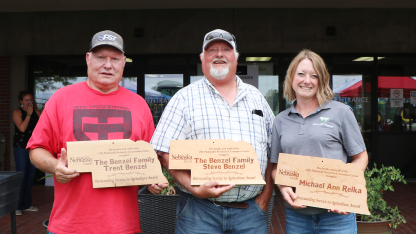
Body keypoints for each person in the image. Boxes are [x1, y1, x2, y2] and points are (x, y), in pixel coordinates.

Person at [27, 30, 156, 234]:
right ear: (88, 59)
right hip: (69, 226)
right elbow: (36, 148)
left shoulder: (139, 105)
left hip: (123, 226)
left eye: (115, 58)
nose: (108, 64)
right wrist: (55, 166)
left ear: (123, 62)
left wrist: (155, 178)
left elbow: (152, 157)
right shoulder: (60, 99)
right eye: (101, 57)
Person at [150, 29, 275, 234]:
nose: (219, 54)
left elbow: (273, 149)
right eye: (212, 50)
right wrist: (194, 188)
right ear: (202, 58)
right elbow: (165, 152)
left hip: (250, 213)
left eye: (226, 49)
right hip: (198, 214)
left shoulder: (257, 97)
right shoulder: (184, 98)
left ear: (235, 57)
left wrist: (267, 194)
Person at [270, 49, 368, 233]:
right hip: (297, 216)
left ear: (321, 80)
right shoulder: (281, 120)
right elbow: (275, 167)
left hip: (336, 216)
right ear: (291, 78)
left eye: (314, 75)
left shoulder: (341, 112)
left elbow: (361, 158)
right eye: (301, 74)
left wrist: (344, 188)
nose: (307, 80)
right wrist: (283, 187)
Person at [12, 91, 41, 216]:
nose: (29, 102)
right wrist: (28, 115)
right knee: (22, 177)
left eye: (31, 100)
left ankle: (27, 204)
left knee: (30, 177)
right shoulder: (17, 112)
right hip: (21, 148)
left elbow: (43, 127)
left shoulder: (37, 112)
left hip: (33, 147)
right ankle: (16, 206)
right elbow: (22, 128)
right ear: (21, 101)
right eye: (26, 100)